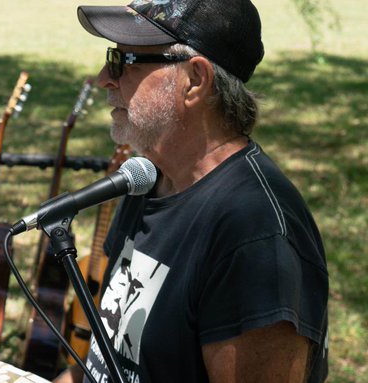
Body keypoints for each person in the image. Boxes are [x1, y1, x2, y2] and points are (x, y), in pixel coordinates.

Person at [55, 0, 329, 382]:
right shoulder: (149, 181)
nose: (104, 77)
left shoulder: (255, 237)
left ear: (195, 80)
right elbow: (105, 364)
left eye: (124, 60)